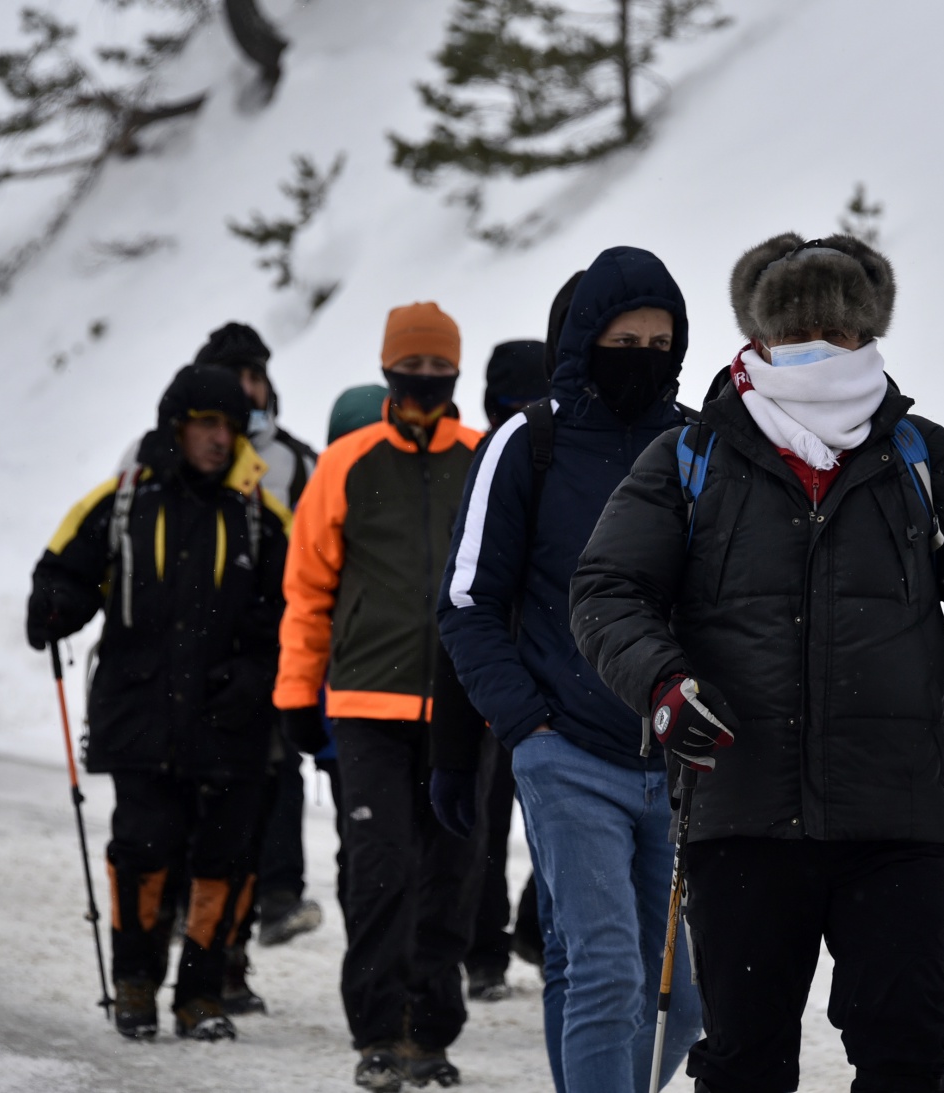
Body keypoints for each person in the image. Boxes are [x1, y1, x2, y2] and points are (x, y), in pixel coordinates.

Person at [570, 234, 944, 1093]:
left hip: (894, 827)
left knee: (906, 1057)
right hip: (740, 817)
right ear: (759, 337)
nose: (821, 351)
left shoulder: (927, 460)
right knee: (745, 1062)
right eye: (799, 332)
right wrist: (663, 684)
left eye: (841, 332)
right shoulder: (689, 459)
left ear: (870, 335)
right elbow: (605, 591)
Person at [439, 248, 708, 1093]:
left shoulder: (699, 445)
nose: (645, 357)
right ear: (588, 338)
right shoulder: (530, 442)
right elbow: (467, 601)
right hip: (565, 750)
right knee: (606, 966)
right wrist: (525, 722)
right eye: (625, 340)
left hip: (673, 757)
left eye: (661, 341)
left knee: (685, 998)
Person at [26, 364, 289, 1043]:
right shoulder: (122, 501)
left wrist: (258, 674)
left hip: (230, 718)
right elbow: (64, 568)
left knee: (221, 858)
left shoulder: (261, 513)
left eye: (229, 426)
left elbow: (295, 609)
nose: (218, 438)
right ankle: (136, 982)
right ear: (177, 425)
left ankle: (200, 994)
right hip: (141, 710)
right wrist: (54, 606)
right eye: (206, 423)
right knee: (144, 848)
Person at [275, 302, 485, 1091]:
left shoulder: (483, 456)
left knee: (453, 873)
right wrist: (299, 692)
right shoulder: (347, 463)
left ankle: (430, 1031)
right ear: (388, 371)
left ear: (455, 373)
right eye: (413, 367)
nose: (426, 380)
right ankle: (378, 1030)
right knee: (380, 869)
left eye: (439, 368)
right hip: (367, 705)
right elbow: (308, 588)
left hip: (465, 709)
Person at [192, 322, 324, 1018]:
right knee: (206, 810)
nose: (252, 387)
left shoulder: (295, 461)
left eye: (257, 374)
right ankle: (213, 954)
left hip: (274, 653)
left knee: (271, 782)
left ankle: (262, 914)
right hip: (194, 665)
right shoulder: (184, 459)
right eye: (237, 374)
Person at [430, 338, 552, 1005]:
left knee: (556, 815)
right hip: (485, 670)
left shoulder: (561, 461)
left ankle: (531, 926)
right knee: (481, 819)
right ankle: (485, 949)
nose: (519, 413)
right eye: (507, 402)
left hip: (546, 672)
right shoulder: (483, 462)